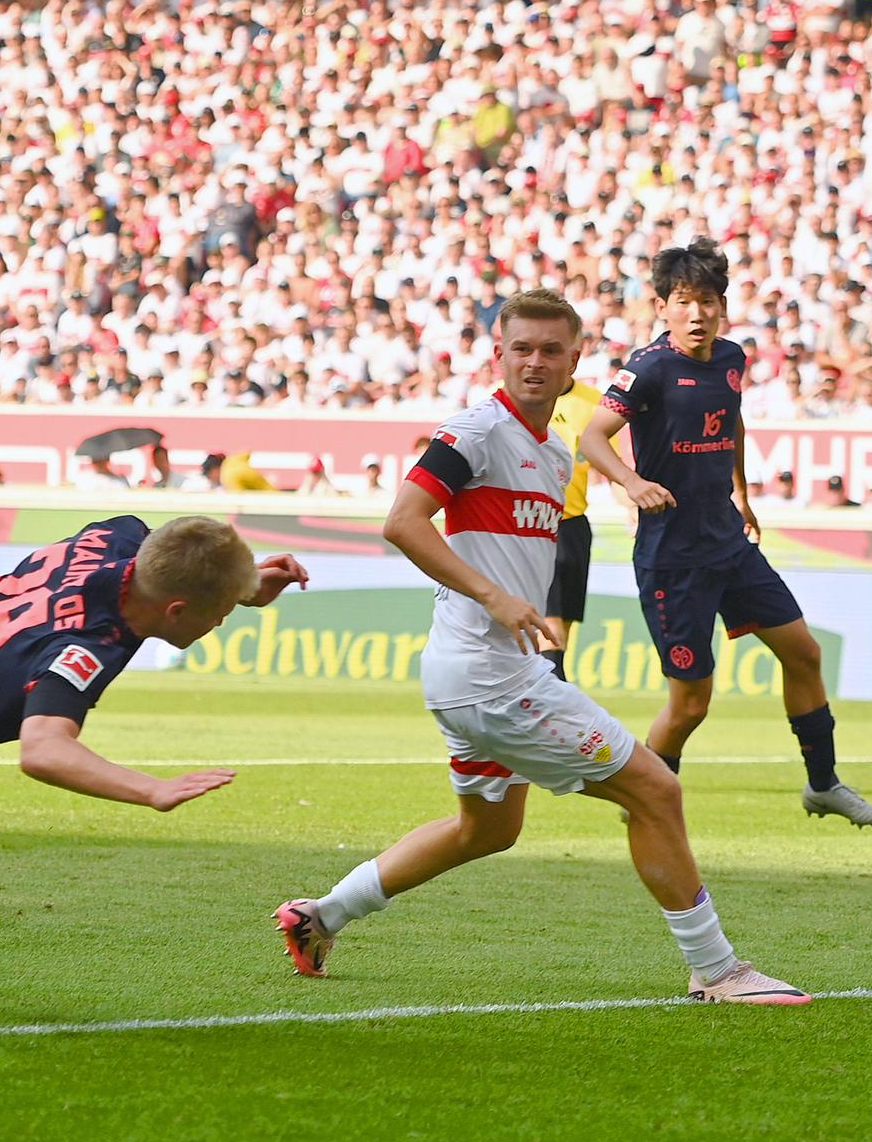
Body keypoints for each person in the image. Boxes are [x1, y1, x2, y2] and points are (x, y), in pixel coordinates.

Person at [274, 288, 810, 1005]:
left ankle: (320, 916)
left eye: (550, 351)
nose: (534, 362)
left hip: (478, 675)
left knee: (486, 830)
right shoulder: (475, 432)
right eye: (520, 348)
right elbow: (403, 522)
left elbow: (512, 553)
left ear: (574, 364)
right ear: (498, 354)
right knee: (656, 789)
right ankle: (717, 969)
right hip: (487, 676)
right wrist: (493, 598)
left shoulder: (556, 453)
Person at [0, 515, 308, 962]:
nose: (221, 622)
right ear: (178, 609)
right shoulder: (86, 647)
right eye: (221, 613)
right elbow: (44, 751)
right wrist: (152, 789)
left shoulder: (121, 537)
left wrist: (240, 583)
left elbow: (174, 553)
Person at [578, 239, 872, 828]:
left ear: (723, 306)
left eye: (708, 302)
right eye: (683, 301)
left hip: (728, 544)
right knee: (691, 702)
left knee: (804, 653)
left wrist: (742, 493)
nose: (696, 313)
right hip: (673, 557)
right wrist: (630, 480)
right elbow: (593, 437)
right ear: (664, 307)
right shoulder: (647, 368)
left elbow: (734, 421)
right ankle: (647, 799)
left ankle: (823, 785)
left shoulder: (731, 358)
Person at [538, 376, 613, 680]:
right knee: (550, 623)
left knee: (561, 625)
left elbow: (609, 463)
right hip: (534, 524)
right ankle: (553, 695)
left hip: (573, 525)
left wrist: (633, 503)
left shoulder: (595, 403)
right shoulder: (513, 396)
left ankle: (547, 693)